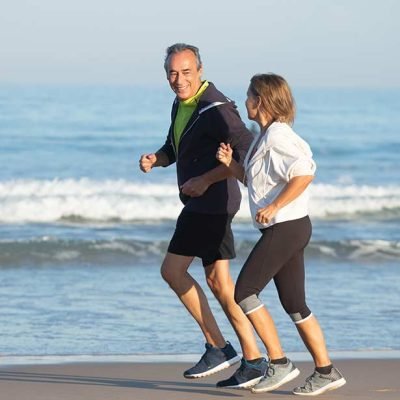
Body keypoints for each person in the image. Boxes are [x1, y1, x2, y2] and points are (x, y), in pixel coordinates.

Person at [139, 43, 267, 388]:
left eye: (185, 72)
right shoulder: (183, 105)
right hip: (206, 204)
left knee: (172, 270)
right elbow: (175, 147)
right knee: (220, 285)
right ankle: (253, 359)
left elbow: (246, 149)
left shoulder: (216, 107)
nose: (178, 79)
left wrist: (207, 178)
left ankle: (217, 346)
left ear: (200, 71)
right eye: (172, 73)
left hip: (211, 204)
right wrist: (158, 159)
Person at [216, 73, 347, 396]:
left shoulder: (279, 137)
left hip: (285, 226)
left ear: (260, 100)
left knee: (244, 291)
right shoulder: (265, 137)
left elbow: (305, 173)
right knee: (295, 303)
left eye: (248, 96)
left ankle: (279, 363)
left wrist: (275, 206)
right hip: (291, 227)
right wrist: (232, 166)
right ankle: (326, 371)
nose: (245, 101)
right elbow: (256, 183)